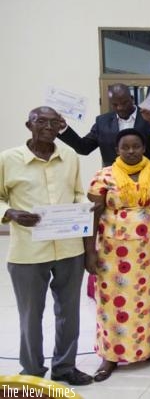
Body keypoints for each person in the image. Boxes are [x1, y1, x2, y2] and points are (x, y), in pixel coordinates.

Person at [0, 107, 93, 385]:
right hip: (28, 251)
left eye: (55, 122)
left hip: (68, 248)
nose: (49, 127)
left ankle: (65, 367)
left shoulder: (70, 156)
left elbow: (78, 193)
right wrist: (11, 213)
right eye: (42, 121)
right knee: (31, 314)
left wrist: (83, 210)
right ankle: (32, 370)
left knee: (69, 311)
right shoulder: (9, 159)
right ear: (29, 124)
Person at [85, 129, 150, 382]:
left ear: (144, 147)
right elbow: (90, 216)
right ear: (117, 149)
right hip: (114, 252)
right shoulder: (104, 176)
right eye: (126, 147)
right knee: (114, 303)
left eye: (136, 146)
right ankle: (110, 355)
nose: (131, 151)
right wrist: (89, 252)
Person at [58, 83, 150, 167]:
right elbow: (83, 148)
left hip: (145, 177)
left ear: (132, 99)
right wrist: (63, 129)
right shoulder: (102, 122)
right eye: (115, 104)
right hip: (112, 180)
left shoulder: (149, 117)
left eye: (124, 103)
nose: (120, 108)